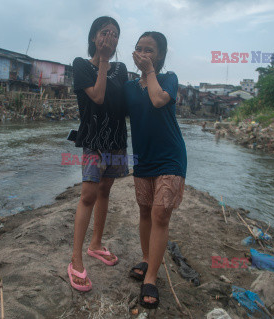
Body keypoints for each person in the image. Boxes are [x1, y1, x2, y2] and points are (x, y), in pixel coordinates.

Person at [125, 31, 187, 309]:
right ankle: (148, 257)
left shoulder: (168, 79)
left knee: (160, 213)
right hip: (143, 159)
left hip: (170, 157)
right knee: (145, 211)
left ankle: (151, 277)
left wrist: (149, 71)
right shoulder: (128, 87)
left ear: (160, 56)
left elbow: (159, 100)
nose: (143, 53)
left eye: (149, 50)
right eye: (139, 48)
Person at [67, 16, 129, 292]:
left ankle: (95, 245)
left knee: (105, 191)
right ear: (94, 37)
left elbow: (122, 103)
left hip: (116, 141)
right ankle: (75, 259)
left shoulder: (122, 68)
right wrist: (103, 61)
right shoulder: (81, 65)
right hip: (93, 141)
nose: (110, 39)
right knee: (88, 195)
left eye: (115, 35)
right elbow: (99, 96)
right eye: (105, 33)